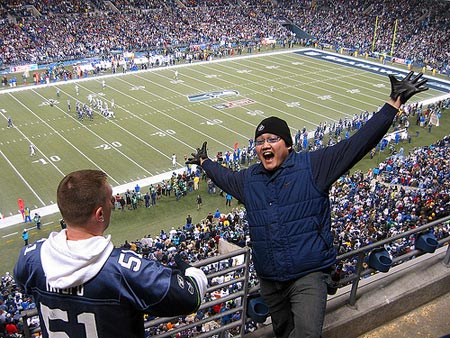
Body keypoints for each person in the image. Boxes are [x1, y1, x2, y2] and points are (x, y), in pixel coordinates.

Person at [187, 72, 428, 338]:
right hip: (270, 279)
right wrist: (204, 164)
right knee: (284, 332)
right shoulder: (249, 180)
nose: (265, 145)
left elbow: (357, 144)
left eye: (272, 139)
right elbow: (225, 177)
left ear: (288, 145)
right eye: (259, 141)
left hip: (308, 275)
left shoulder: (313, 166)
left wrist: (393, 104)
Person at [14, 169, 208, 338]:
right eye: (110, 199)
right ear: (99, 214)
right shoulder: (123, 269)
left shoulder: (31, 258)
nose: (113, 203)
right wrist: (192, 271)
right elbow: (191, 297)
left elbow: (24, 283)